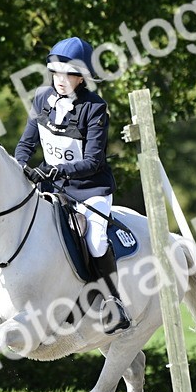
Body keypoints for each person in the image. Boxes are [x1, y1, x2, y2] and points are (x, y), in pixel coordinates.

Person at [14, 37, 131, 333]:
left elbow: (92, 161)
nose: (60, 80)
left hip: (89, 189)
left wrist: (55, 170)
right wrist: (20, 166)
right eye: (56, 73)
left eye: (69, 74)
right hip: (52, 187)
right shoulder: (42, 99)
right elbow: (26, 144)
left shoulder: (95, 108)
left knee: (96, 240)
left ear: (82, 77)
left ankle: (112, 302)